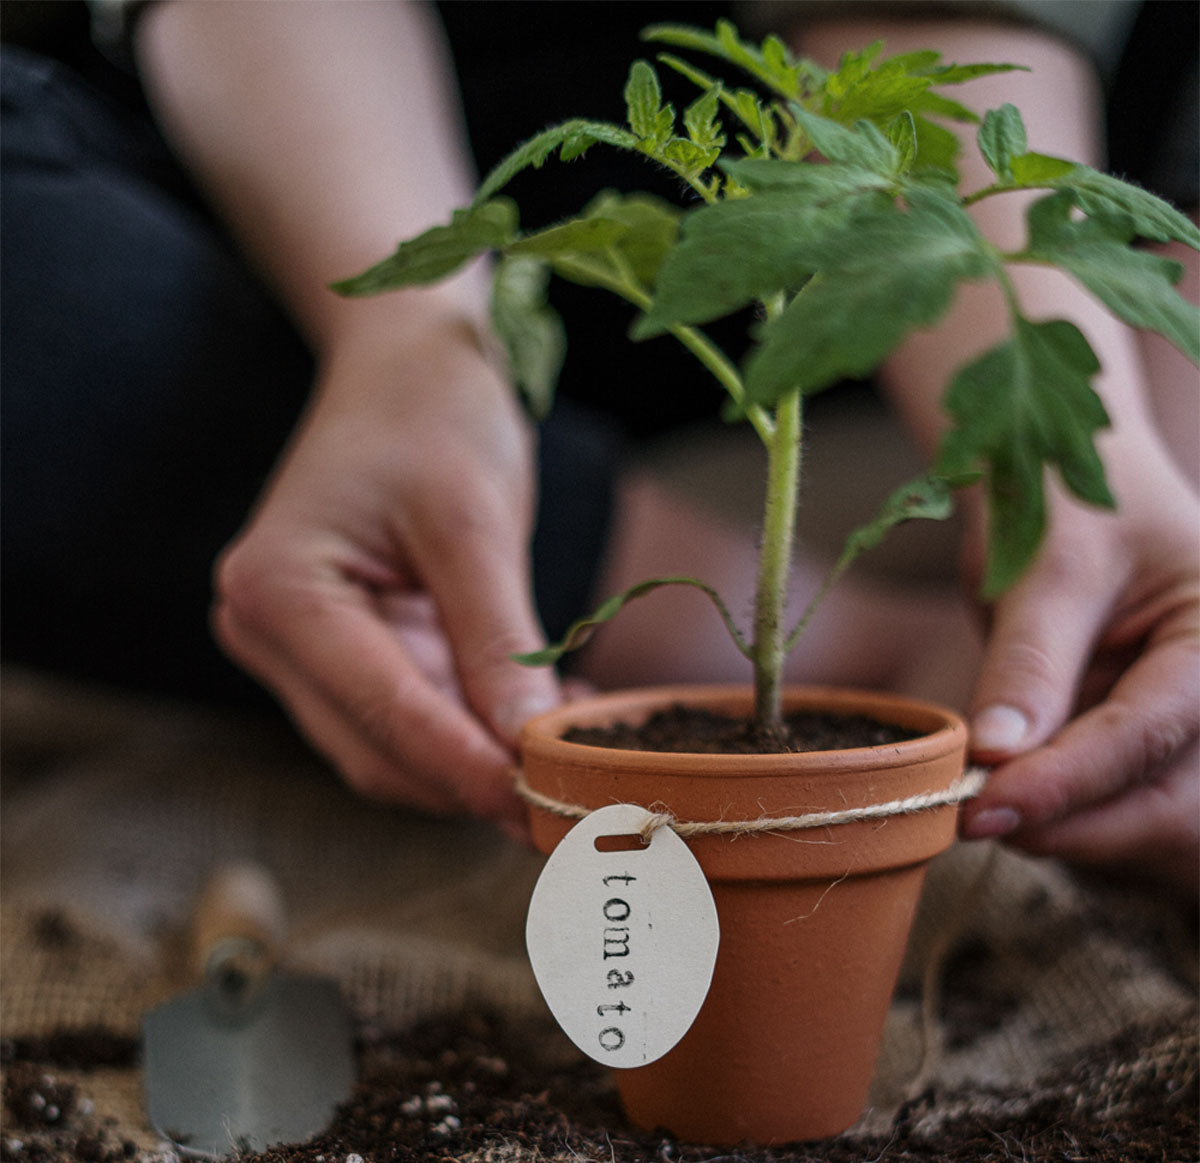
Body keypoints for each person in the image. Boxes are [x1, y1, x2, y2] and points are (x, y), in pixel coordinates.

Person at [3, 1, 1195, 894]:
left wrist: (1066, 453)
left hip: (934, 152)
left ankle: (1132, 588)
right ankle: (847, 649)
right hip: (343, 180)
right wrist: (413, 338)